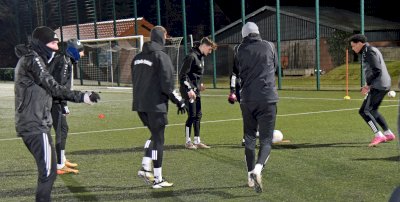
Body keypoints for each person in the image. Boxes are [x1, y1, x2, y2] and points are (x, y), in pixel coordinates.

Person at [14, 26, 100, 201]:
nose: (55, 47)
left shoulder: (35, 58)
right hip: (34, 124)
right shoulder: (33, 59)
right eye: (52, 43)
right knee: (48, 174)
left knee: (49, 171)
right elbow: (53, 86)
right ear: (41, 44)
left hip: (37, 122)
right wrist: (82, 97)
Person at [131, 26, 186, 189]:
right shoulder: (161, 56)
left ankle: (144, 167)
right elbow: (168, 85)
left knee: (154, 135)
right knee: (159, 141)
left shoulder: (137, 58)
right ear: (162, 36)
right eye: (166, 34)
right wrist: (179, 101)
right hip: (156, 105)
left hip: (140, 106)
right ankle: (158, 179)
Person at [228, 22, 279, 193]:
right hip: (267, 97)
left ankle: (250, 175)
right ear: (258, 32)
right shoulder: (269, 46)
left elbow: (235, 72)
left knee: (249, 137)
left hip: (247, 99)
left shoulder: (238, 49)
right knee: (266, 140)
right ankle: (257, 170)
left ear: (243, 35)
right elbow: (276, 67)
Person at [349, 34, 395, 147]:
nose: (352, 48)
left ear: (360, 43)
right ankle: (388, 134)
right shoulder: (369, 50)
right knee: (373, 110)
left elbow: (377, 70)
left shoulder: (369, 51)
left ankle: (379, 135)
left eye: (353, 46)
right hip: (383, 84)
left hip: (378, 85)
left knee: (364, 111)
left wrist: (367, 85)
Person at [48, 38, 85, 175]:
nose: (82, 55)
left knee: (63, 129)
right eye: (81, 52)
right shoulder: (64, 62)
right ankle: (59, 165)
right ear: (74, 51)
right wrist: (63, 105)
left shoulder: (64, 59)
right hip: (54, 101)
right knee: (61, 130)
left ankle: (61, 159)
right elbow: (59, 86)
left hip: (54, 100)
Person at [179, 37, 217, 149]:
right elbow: (182, 75)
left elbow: (195, 75)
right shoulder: (191, 56)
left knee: (198, 115)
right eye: (209, 49)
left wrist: (199, 85)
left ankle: (197, 141)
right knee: (191, 115)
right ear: (204, 45)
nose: (210, 52)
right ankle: (187, 142)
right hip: (188, 91)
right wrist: (189, 89)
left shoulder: (200, 58)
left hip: (196, 90)